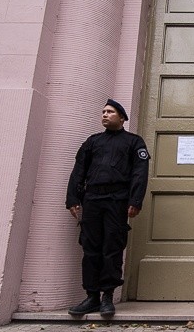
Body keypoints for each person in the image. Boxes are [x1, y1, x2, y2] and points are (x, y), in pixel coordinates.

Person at [65, 98, 151, 317]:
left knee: (112, 247)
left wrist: (135, 201)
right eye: (103, 112)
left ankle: (107, 297)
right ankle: (92, 296)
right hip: (92, 199)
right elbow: (78, 171)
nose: (105, 115)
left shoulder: (134, 142)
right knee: (90, 247)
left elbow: (139, 174)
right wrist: (73, 199)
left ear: (121, 117)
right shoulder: (92, 142)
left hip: (117, 200)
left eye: (110, 112)